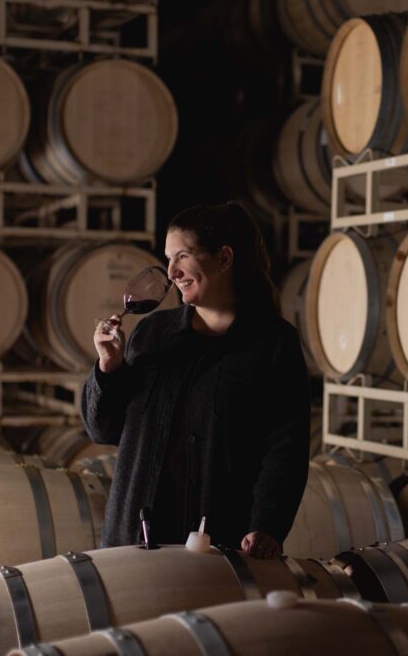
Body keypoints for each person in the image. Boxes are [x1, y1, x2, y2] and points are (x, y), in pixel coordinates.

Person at [81, 202, 310, 558]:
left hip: (216, 546)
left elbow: (286, 450)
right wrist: (108, 366)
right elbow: (103, 430)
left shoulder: (273, 344)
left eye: (182, 256)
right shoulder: (153, 332)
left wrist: (267, 525)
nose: (171, 272)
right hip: (133, 538)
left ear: (224, 258)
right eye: (168, 258)